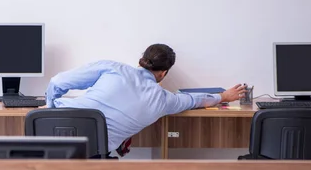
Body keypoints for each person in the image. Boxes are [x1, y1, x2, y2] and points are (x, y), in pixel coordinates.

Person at [45, 44, 247, 157]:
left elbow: (57, 81)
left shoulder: (111, 68)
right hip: (90, 153)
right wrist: (223, 96)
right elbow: (194, 100)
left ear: (141, 60)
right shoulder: (162, 100)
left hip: (48, 132)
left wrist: (50, 109)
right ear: (164, 73)